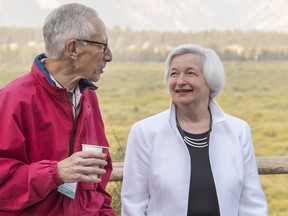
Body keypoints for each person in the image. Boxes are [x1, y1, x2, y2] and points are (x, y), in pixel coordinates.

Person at [121, 44, 268, 216]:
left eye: (190, 73)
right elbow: (133, 205)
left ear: (211, 81)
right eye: (174, 73)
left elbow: (252, 204)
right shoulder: (144, 132)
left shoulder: (238, 131)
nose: (180, 81)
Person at [0, 3, 116, 215]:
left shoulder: (88, 97)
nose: (108, 56)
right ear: (73, 49)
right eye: (103, 45)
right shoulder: (13, 99)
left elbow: (99, 180)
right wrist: (56, 173)